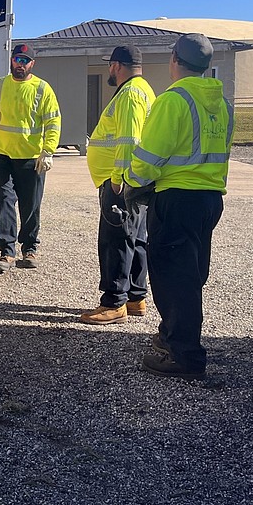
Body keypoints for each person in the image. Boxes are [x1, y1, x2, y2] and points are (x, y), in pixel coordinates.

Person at [126, 33, 233, 380]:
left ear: (174, 60)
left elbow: (149, 156)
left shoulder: (174, 100)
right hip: (209, 199)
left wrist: (129, 182)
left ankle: (183, 354)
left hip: (176, 198)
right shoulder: (222, 103)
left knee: (174, 277)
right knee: (192, 273)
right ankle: (173, 335)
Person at [0, 43, 61, 273]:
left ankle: (29, 248)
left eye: (25, 60)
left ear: (32, 64)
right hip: (1, 155)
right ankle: (7, 252)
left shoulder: (42, 89)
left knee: (30, 205)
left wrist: (48, 151)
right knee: (4, 202)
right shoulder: (0, 85)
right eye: (17, 59)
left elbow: (53, 122)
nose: (20, 64)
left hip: (31, 157)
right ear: (11, 61)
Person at [80, 44, 155, 325]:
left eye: (110, 64)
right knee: (135, 239)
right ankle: (135, 297)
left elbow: (129, 140)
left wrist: (117, 179)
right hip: (131, 180)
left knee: (116, 240)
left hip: (120, 182)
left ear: (116, 65)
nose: (109, 69)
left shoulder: (130, 94)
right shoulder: (142, 89)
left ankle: (114, 302)